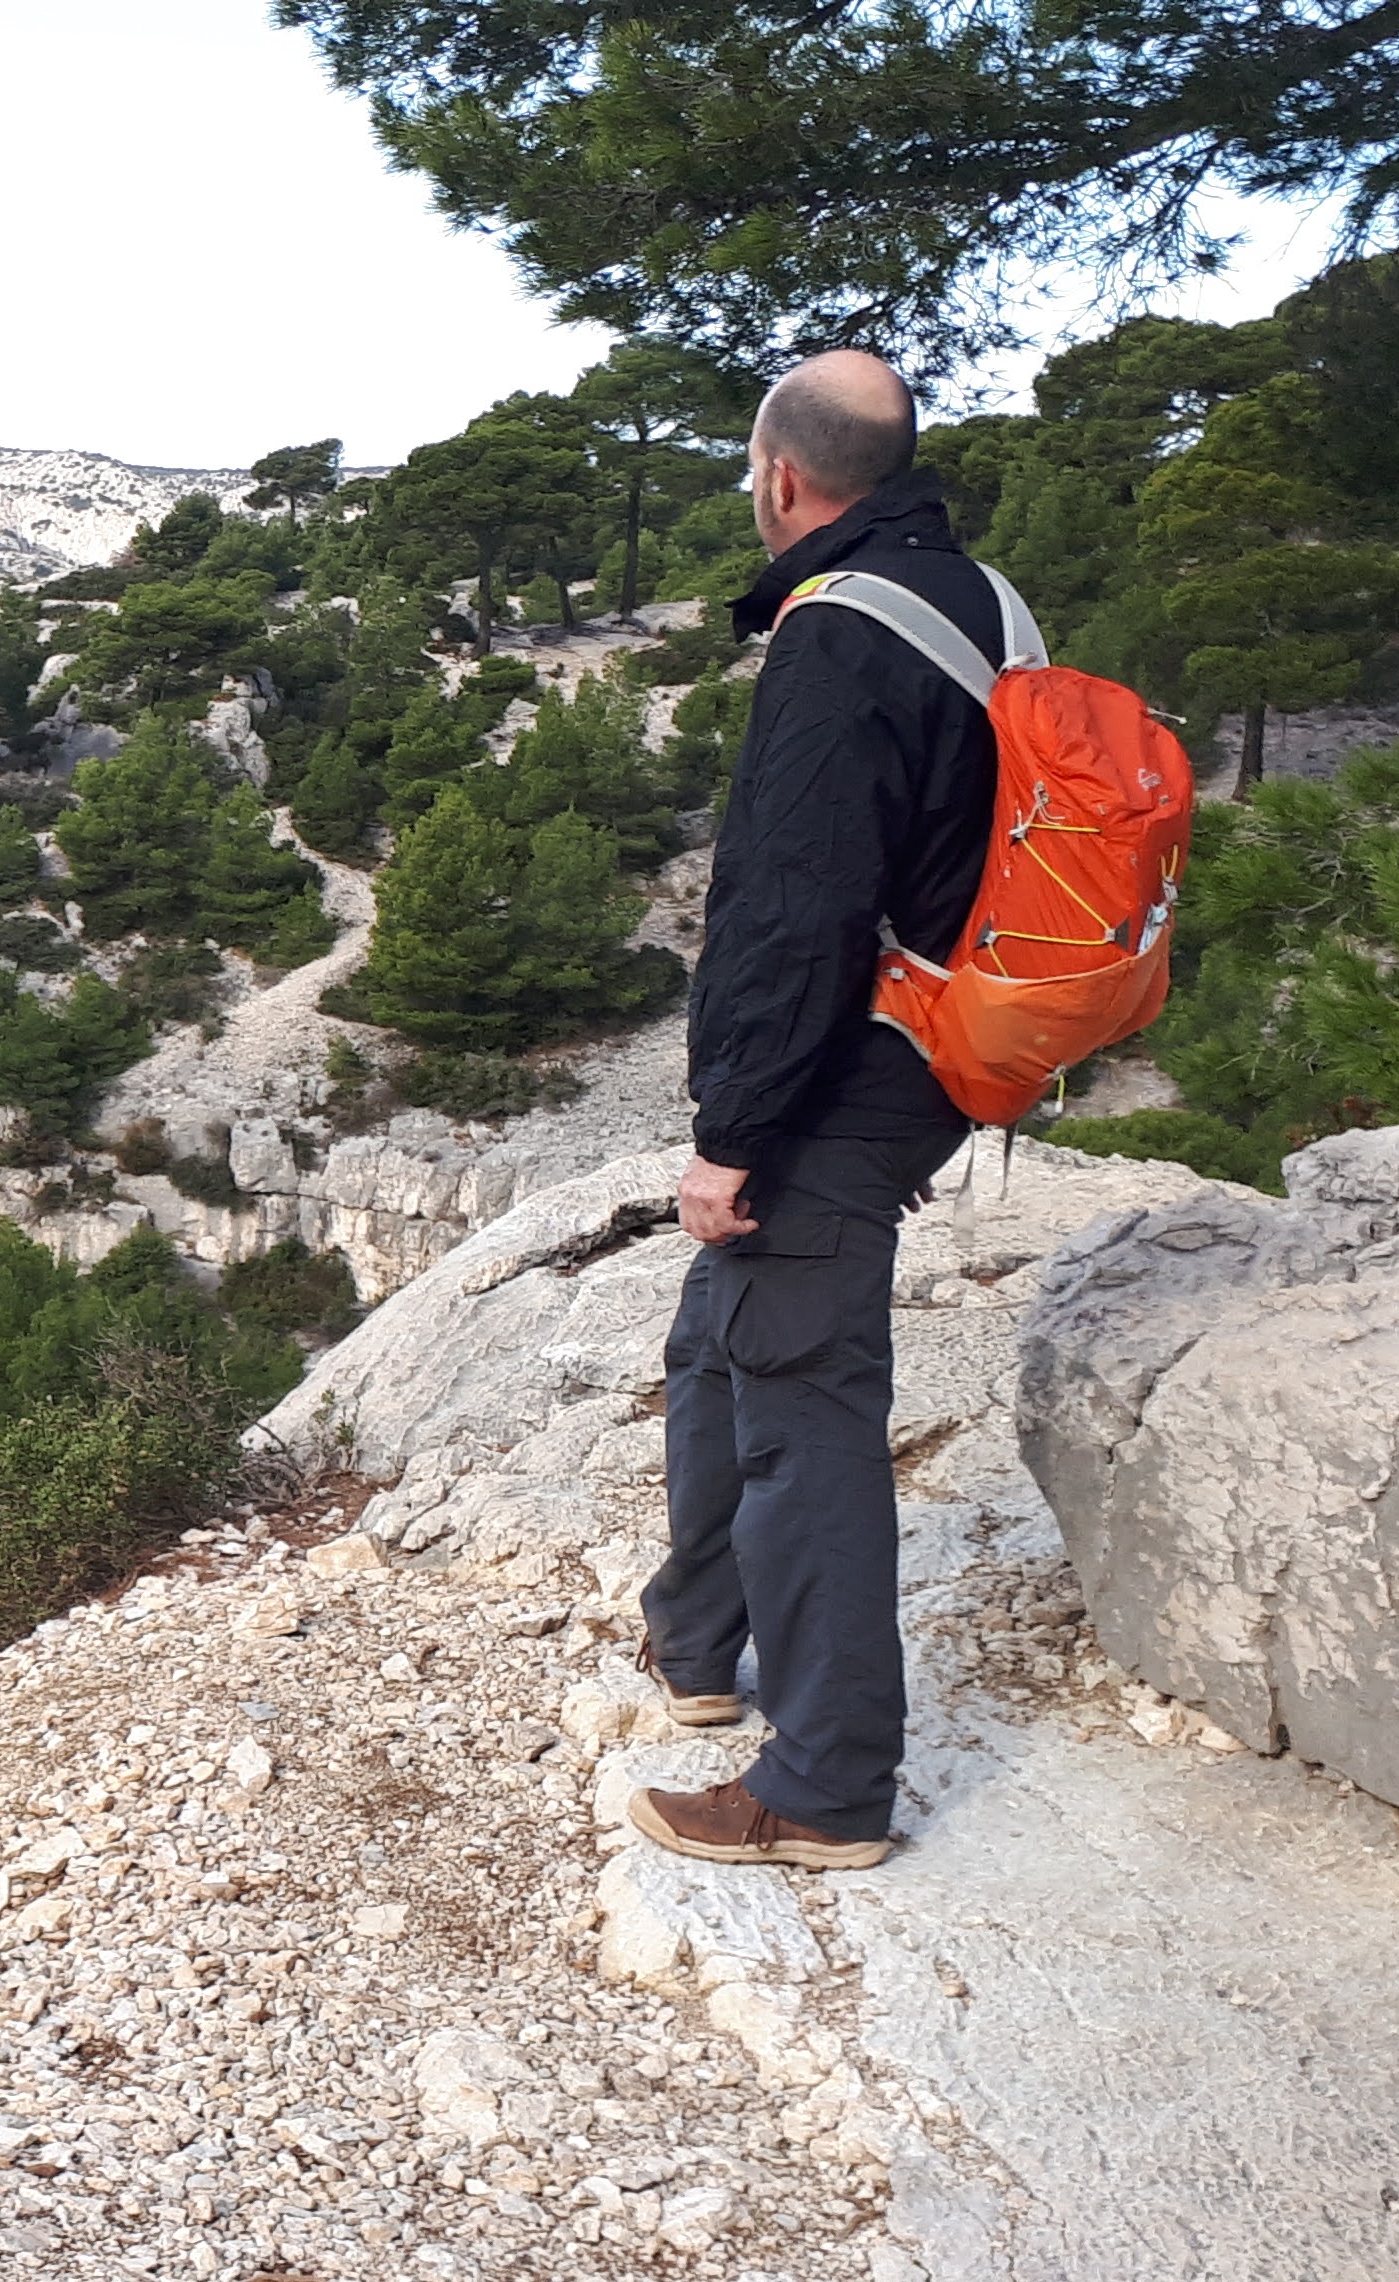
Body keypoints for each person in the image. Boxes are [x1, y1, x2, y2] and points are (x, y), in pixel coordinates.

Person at [628, 350, 995, 1874]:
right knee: (718, 1332)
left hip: (854, 1065)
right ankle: (697, 1641)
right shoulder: (978, 601)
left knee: (802, 1403)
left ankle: (827, 1784)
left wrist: (733, 1136)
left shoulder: (840, 632)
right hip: (946, 1037)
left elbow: (796, 911)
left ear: (780, 477)